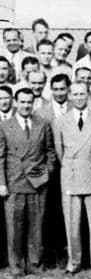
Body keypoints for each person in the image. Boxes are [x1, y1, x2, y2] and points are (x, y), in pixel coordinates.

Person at [53, 81, 91, 273]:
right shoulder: (60, 121)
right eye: (75, 94)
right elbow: (60, 152)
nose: (78, 98)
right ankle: (74, 261)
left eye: (82, 94)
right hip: (71, 175)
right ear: (69, 95)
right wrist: (70, 167)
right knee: (72, 223)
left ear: (88, 95)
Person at [0, 88, 56, 276]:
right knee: (14, 229)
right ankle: (16, 266)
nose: (25, 105)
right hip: (14, 183)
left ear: (33, 103)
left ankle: (35, 264)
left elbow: (50, 152)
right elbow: (0, 158)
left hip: (38, 182)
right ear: (15, 102)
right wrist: (2, 183)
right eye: (22, 102)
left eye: (28, 102)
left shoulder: (43, 123)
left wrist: (47, 172)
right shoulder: (4, 126)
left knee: (36, 226)